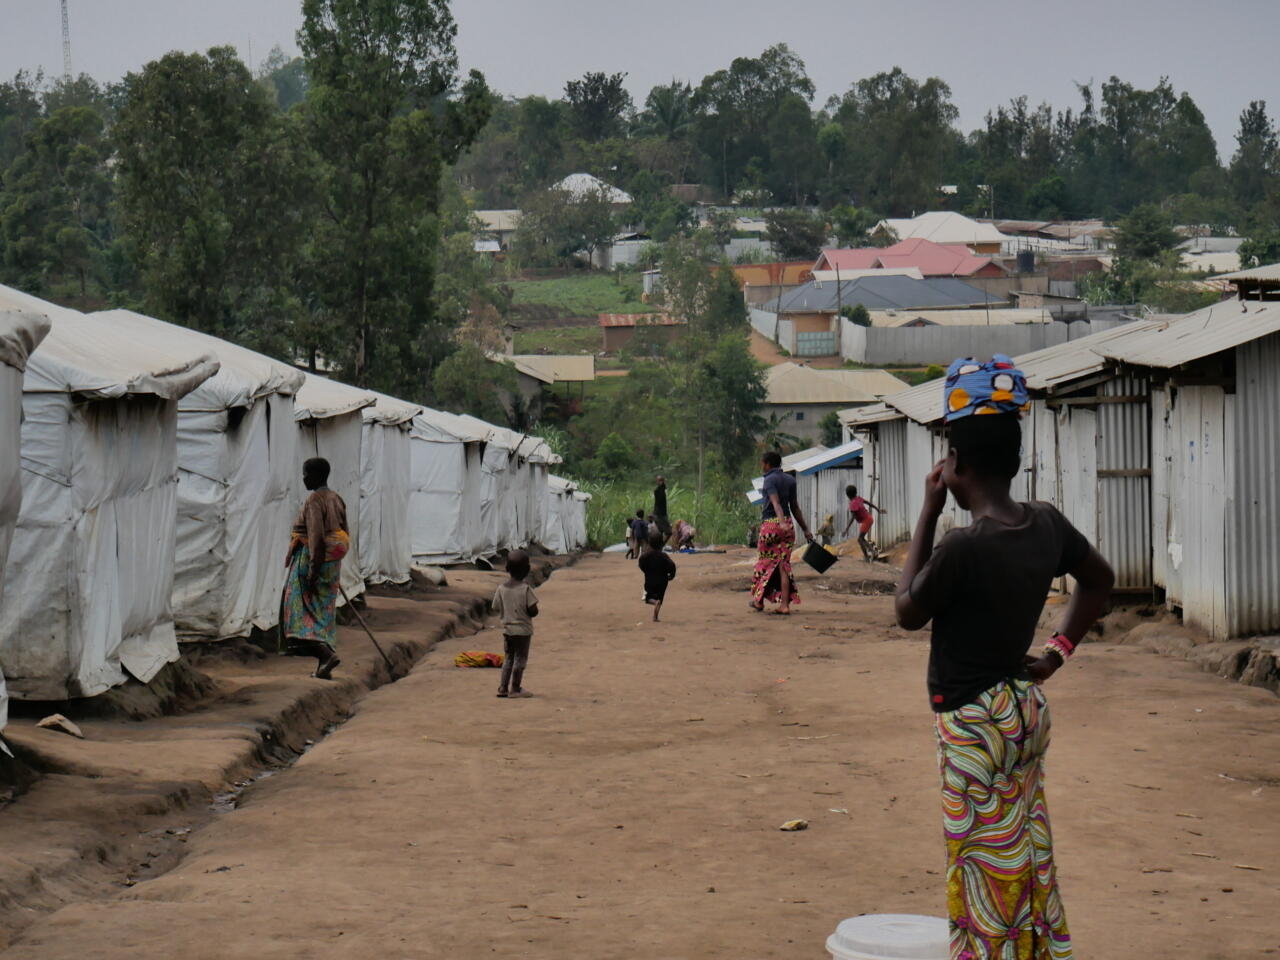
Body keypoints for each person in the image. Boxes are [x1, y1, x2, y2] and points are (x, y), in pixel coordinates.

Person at [894, 355, 1114, 960]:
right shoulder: (1044, 524)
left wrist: (928, 511)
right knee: (1026, 849)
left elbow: (907, 609)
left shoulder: (965, 545)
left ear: (955, 464)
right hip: (1022, 709)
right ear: (1015, 461)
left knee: (982, 865)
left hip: (973, 724)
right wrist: (1056, 653)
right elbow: (1099, 582)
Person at [281, 458, 350, 679]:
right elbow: (344, 532)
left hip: (312, 560)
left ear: (316, 475)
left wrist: (313, 571)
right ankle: (323, 665)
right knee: (323, 612)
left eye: (306, 473)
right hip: (331, 563)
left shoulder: (315, 500)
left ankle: (325, 654)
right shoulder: (336, 498)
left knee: (296, 613)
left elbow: (316, 537)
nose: (303, 478)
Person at [749, 450, 814, 615]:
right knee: (784, 565)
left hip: (772, 525)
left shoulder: (769, 480)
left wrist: (780, 521)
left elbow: (775, 502)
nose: (761, 466)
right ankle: (785, 605)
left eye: (762, 463)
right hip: (789, 526)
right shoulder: (790, 480)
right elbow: (795, 507)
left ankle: (759, 601)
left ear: (767, 464)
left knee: (764, 562)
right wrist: (805, 529)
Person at [492, 550, 539, 698]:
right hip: (523, 631)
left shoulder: (501, 589)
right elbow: (533, 611)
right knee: (520, 659)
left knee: (508, 658)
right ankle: (516, 688)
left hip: (507, 631)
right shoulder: (525, 589)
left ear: (506, 568)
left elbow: (495, 607)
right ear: (528, 569)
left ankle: (502, 687)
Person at [638, 531, 676, 621]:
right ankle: (655, 617)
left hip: (650, 579)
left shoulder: (645, 556)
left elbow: (641, 564)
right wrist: (671, 575)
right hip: (663, 580)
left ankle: (654, 602)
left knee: (648, 598)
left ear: (649, 543)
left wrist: (646, 571)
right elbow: (672, 566)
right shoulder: (664, 556)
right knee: (660, 598)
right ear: (661, 544)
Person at [842, 485, 886, 561]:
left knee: (860, 539)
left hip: (866, 521)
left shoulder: (852, 504)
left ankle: (867, 557)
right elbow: (869, 503)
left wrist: (846, 529)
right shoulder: (859, 498)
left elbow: (853, 518)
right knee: (861, 538)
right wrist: (878, 510)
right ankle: (872, 552)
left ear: (847, 495)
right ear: (856, 492)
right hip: (869, 518)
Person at [653, 475, 672, 545]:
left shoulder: (662, 489)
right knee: (668, 532)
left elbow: (664, 487)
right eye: (659, 480)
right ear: (657, 481)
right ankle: (660, 546)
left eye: (662, 480)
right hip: (659, 514)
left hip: (661, 514)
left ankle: (660, 546)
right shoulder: (658, 490)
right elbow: (659, 501)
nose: (661, 482)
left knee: (661, 532)